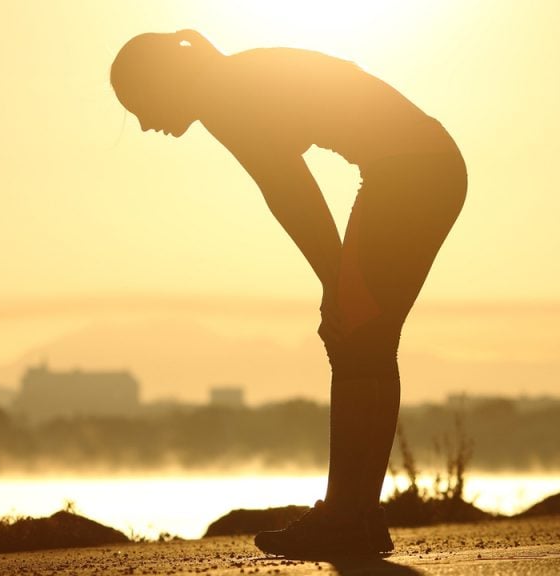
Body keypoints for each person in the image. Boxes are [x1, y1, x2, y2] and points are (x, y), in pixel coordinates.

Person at [111, 30, 466, 558]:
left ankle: (348, 517)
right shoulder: (225, 78)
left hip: (408, 172)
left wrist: (333, 283)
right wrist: (336, 283)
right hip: (428, 166)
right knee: (367, 340)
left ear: (161, 81)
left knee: (356, 339)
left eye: (139, 105)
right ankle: (359, 516)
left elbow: (290, 191)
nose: (143, 123)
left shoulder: (219, 93)